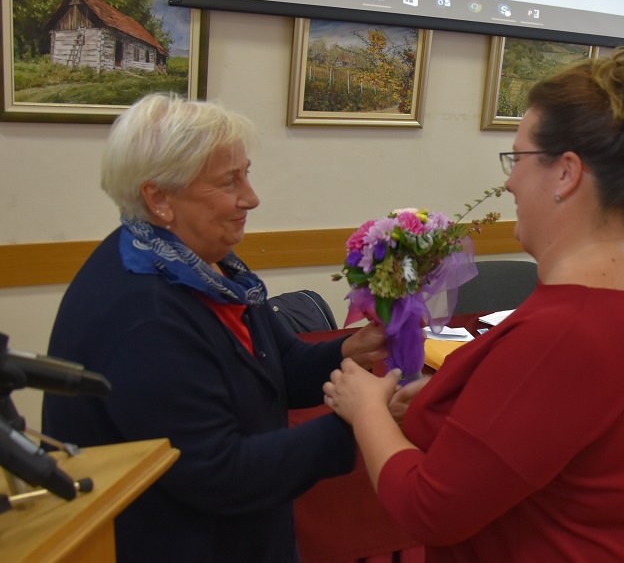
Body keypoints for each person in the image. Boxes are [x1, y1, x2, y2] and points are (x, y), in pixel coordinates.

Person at [322, 47, 624, 562]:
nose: (509, 181)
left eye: (518, 158)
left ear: (566, 173)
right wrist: (458, 403)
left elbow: (430, 509)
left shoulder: (567, 328)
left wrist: (367, 409)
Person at [41, 93, 386, 563]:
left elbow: (279, 367)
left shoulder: (203, 265)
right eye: (229, 181)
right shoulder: (144, 314)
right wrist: (362, 423)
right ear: (159, 198)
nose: (252, 197)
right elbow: (219, 472)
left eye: (246, 174)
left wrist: (353, 349)